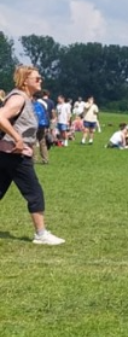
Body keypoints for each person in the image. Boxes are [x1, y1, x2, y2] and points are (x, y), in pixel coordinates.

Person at [0, 66, 66, 245]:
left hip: (7, 153)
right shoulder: (18, 99)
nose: (40, 81)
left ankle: (41, 233)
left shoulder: (25, 99)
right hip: (15, 154)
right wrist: (18, 139)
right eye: (37, 78)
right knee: (34, 193)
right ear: (25, 81)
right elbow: (1, 117)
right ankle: (41, 234)